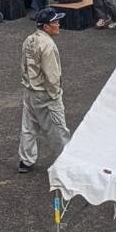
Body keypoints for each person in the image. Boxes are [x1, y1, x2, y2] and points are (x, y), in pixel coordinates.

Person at [18, 9, 68, 173]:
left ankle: (26, 161)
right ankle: (65, 161)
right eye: (55, 22)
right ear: (46, 26)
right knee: (58, 129)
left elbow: (24, 65)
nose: (58, 24)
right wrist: (55, 94)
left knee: (28, 126)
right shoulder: (48, 45)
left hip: (29, 90)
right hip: (45, 94)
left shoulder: (29, 40)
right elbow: (52, 75)